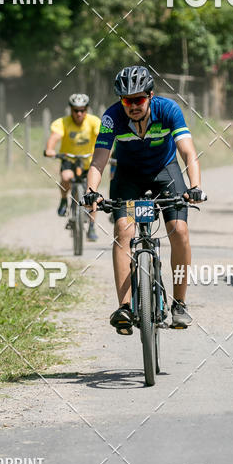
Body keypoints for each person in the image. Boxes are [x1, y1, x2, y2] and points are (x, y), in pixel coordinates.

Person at [83, 65, 206, 332]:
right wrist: (91, 191)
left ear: (150, 96)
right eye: (127, 100)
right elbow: (99, 160)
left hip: (166, 172)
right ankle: (125, 308)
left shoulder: (168, 110)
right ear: (121, 101)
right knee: (122, 230)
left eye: (139, 99)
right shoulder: (111, 117)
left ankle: (180, 303)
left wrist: (195, 186)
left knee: (180, 230)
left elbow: (188, 152)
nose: (133, 106)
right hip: (128, 177)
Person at [44, 93, 102, 241]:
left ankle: (91, 227)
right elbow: (55, 137)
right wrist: (50, 149)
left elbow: (100, 138)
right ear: (70, 110)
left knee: (92, 193)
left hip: (89, 161)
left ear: (87, 109)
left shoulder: (94, 121)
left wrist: (102, 153)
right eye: (75, 110)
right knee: (66, 177)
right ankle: (64, 199)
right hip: (69, 159)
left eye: (82, 110)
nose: (79, 113)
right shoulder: (62, 122)